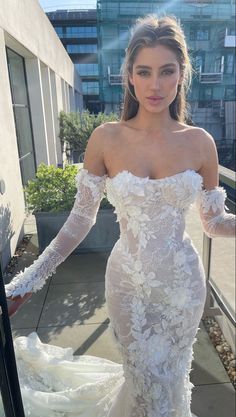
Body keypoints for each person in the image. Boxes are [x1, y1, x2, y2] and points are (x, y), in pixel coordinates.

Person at [4, 14, 235, 417]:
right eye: (144, 72)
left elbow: (213, 222)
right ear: (128, 75)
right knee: (144, 379)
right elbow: (80, 219)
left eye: (167, 71)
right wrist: (31, 279)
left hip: (183, 286)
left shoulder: (201, 143)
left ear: (182, 74)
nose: (155, 84)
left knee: (171, 380)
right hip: (128, 284)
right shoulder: (106, 138)